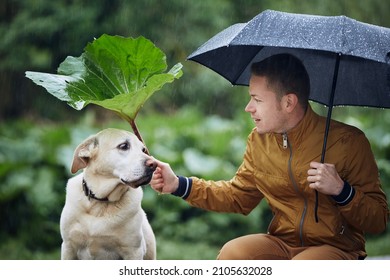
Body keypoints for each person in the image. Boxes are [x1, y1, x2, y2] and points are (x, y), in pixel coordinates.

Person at [149, 53, 389, 260]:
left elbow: (378, 220)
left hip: (337, 249)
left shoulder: (349, 142)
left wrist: (341, 190)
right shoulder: (259, 140)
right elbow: (237, 197)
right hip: (282, 243)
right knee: (233, 254)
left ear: (288, 102)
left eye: (257, 99)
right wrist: (179, 185)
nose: (248, 108)